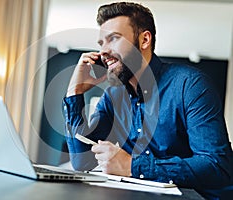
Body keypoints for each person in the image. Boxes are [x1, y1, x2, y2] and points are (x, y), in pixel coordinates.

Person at [62, 2, 233, 198]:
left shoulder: (190, 85)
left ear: (144, 40)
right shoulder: (113, 96)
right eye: (101, 43)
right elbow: (83, 162)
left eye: (114, 39)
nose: (104, 52)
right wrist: (74, 91)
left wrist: (132, 166)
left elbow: (218, 166)